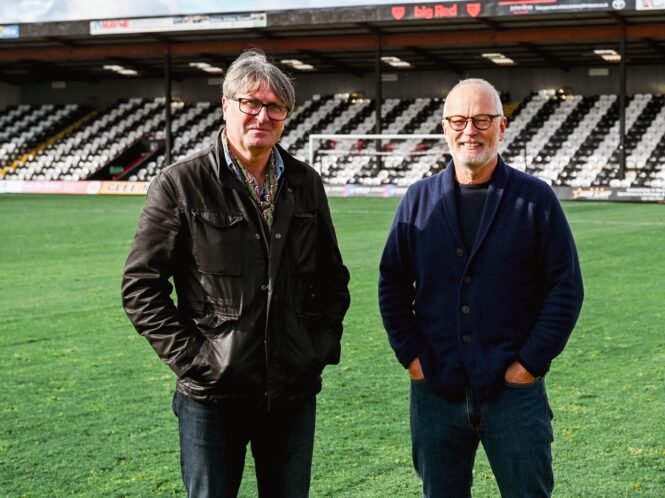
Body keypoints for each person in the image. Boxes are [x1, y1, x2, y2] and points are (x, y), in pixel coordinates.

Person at [121, 49, 350, 498]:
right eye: (251, 102)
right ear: (226, 105)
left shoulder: (305, 183)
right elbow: (141, 287)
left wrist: (317, 348)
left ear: (286, 115)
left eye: (275, 107)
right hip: (211, 398)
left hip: (291, 393)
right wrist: (195, 362)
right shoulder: (180, 183)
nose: (262, 115)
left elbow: (332, 279)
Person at [378, 78, 584, 498]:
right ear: (444, 127)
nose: (469, 130)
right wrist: (412, 358)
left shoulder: (536, 200)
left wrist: (528, 364)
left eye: (481, 119)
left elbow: (566, 288)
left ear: (502, 127)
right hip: (435, 394)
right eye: (458, 120)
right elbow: (392, 283)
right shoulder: (418, 200)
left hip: (514, 396)